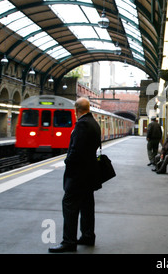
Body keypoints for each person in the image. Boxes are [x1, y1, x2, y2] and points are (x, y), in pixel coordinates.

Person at [49, 97, 101, 253]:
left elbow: (75, 151)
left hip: (78, 176)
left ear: (76, 110)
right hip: (89, 174)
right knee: (86, 206)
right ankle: (87, 235)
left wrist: (67, 161)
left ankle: (69, 241)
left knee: (70, 206)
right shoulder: (94, 123)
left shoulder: (82, 125)